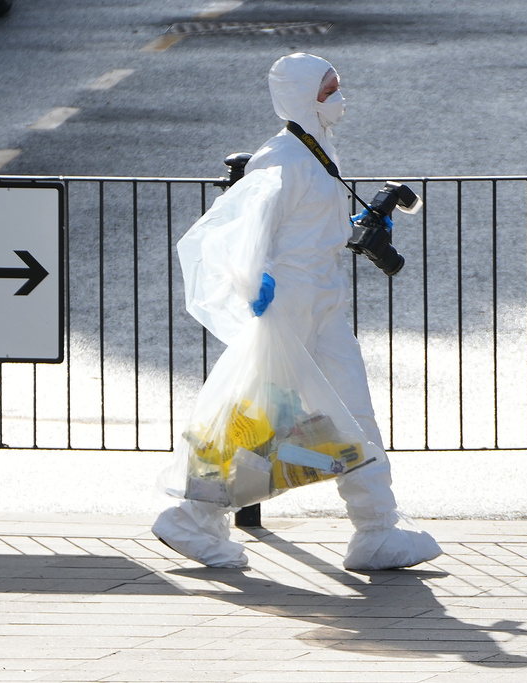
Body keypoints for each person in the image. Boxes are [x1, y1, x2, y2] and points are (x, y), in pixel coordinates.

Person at [153, 53, 442, 572]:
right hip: (288, 302)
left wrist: (348, 223)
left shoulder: (315, 151)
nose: (339, 98)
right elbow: (238, 225)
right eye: (329, 90)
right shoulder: (281, 158)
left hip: (322, 299)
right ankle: (193, 519)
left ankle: (377, 528)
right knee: (255, 418)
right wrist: (255, 274)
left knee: (353, 410)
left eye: (337, 87)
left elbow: (303, 222)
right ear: (304, 97)